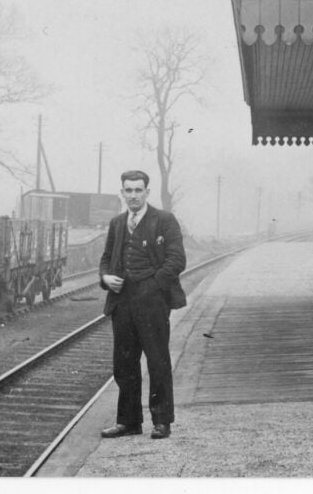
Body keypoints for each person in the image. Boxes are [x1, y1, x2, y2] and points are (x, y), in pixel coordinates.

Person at [98, 170, 187, 440]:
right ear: (122, 193)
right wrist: (105, 277)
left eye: (138, 190)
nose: (133, 195)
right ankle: (128, 422)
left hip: (153, 305)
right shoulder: (116, 223)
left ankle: (162, 422)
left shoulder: (164, 220)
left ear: (147, 192)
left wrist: (153, 286)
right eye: (128, 190)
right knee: (124, 364)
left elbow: (176, 260)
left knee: (158, 361)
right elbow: (105, 258)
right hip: (122, 303)